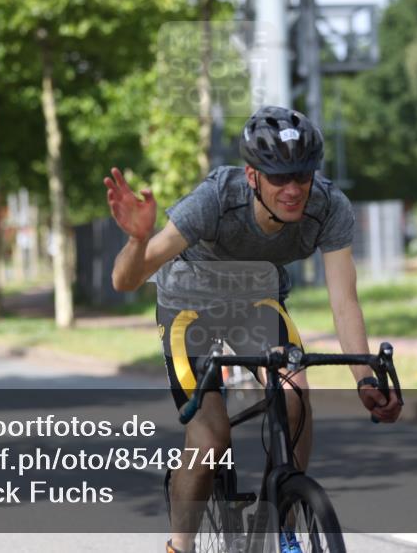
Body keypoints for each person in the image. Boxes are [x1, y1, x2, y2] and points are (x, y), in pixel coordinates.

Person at [105, 106, 401, 553]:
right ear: (251, 175)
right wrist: (137, 240)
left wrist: (365, 380)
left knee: (296, 395)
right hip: (190, 310)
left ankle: (282, 517)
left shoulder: (328, 206)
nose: (293, 188)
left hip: (256, 304)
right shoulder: (216, 200)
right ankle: (179, 546)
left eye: (302, 175)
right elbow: (125, 280)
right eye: (278, 177)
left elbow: (345, 301)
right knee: (210, 436)